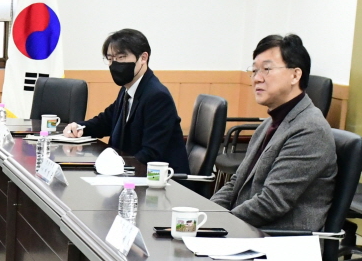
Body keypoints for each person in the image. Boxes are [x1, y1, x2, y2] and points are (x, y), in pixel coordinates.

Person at [212, 33, 336, 231]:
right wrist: (208, 213)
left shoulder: (310, 129)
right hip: (249, 230)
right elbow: (236, 182)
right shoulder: (269, 124)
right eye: (254, 71)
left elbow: (272, 203)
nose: (256, 79)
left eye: (267, 70)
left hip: (279, 243)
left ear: (295, 75)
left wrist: (220, 224)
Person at [60, 28, 187, 174]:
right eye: (110, 58)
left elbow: (151, 153)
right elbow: (105, 122)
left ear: (143, 58)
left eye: (121, 57)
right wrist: (79, 127)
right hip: (130, 173)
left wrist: (113, 167)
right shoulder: (128, 89)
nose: (114, 64)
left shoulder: (157, 96)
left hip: (161, 181)